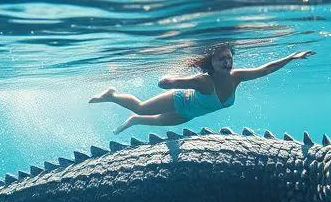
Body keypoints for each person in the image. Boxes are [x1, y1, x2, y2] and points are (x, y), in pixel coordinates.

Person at [89, 43, 315, 134]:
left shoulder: (237, 77)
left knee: (150, 121)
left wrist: (291, 57)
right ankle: (112, 95)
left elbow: (265, 69)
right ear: (212, 63)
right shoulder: (204, 81)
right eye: (221, 59)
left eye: (229, 58)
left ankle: (133, 121)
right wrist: (168, 81)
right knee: (140, 108)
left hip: (187, 115)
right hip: (179, 100)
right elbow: (169, 83)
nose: (227, 62)